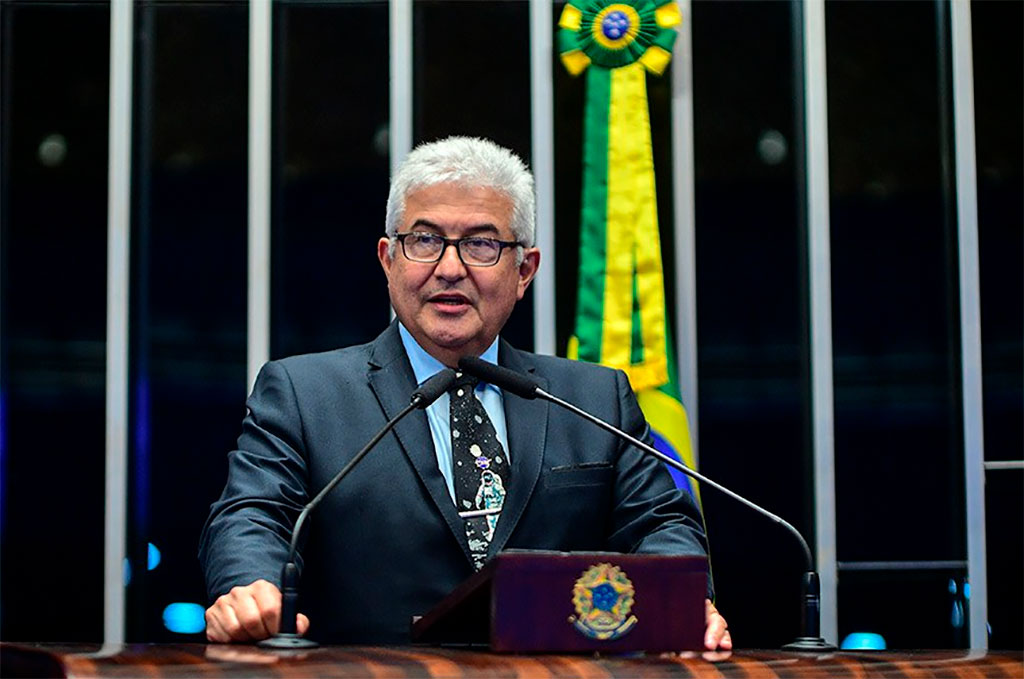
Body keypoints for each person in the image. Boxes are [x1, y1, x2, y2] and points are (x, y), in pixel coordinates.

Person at [200, 136, 731, 650]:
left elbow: (661, 523)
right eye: (425, 240)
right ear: (388, 259)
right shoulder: (305, 394)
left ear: (524, 270)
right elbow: (251, 515)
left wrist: (685, 602)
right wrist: (251, 587)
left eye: (481, 244)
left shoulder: (594, 399)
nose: (449, 269)